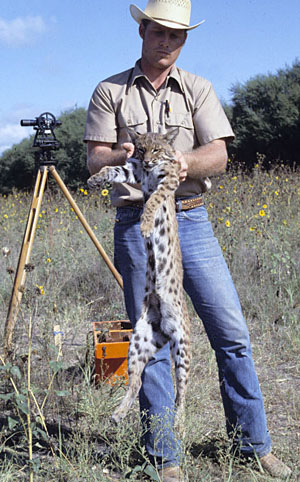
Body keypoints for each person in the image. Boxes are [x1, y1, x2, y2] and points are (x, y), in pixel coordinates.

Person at [84, 1, 292, 480]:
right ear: (143, 32)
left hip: (192, 221)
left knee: (232, 333)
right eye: (159, 32)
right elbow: (96, 162)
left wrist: (183, 164)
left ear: (184, 40)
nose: (166, 42)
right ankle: (165, 457)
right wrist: (123, 151)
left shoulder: (198, 89)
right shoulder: (109, 91)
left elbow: (218, 155)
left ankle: (253, 445)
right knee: (151, 336)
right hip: (137, 222)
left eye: (176, 36)